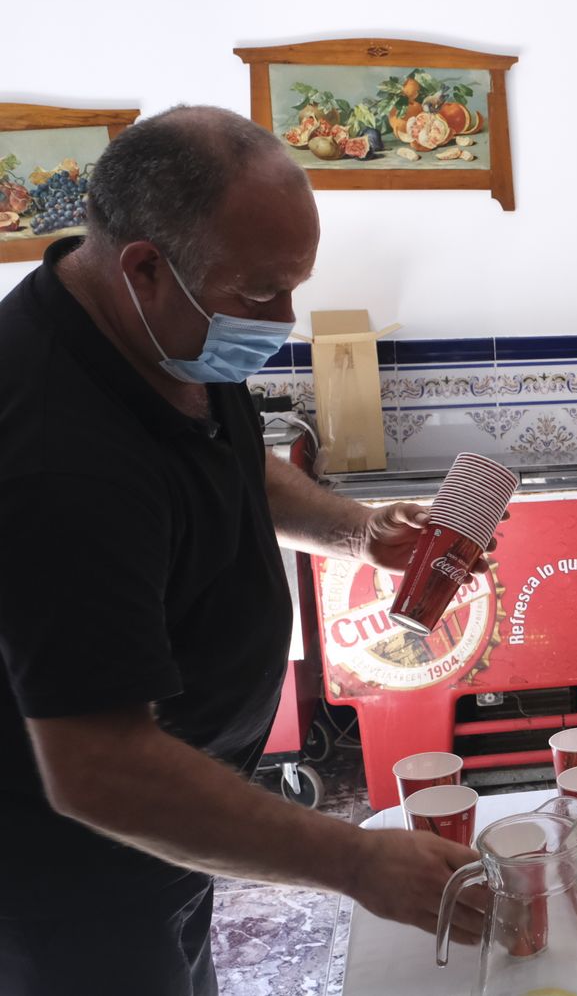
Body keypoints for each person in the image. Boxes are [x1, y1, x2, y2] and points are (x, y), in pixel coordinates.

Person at [0, 106, 487, 996]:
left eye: (294, 285)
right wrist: (355, 863)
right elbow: (98, 768)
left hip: (177, 830)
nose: (284, 318)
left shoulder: (159, 338)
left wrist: (359, 532)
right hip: (76, 870)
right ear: (144, 268)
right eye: (262, 293)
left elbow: (232, 465)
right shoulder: (52, 451)